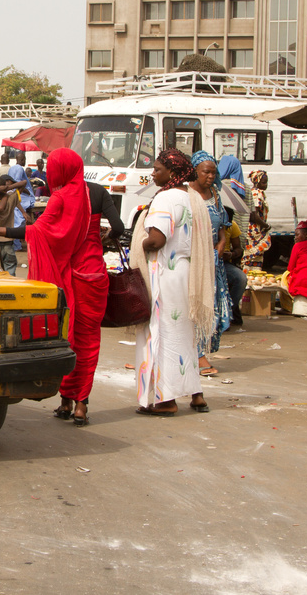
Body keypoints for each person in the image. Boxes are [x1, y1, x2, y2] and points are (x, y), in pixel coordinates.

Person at [0, 148, 96, 424]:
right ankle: (80, 404)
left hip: (65, 274)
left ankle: (66, 402)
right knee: (87, 341)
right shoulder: (90, 194)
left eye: (52, 167)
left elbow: (40, 232)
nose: (49, 172)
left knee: (65, 335)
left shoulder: (61, 197)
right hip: (90, 274)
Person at [129, 149, 213, 416]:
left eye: (157, 169)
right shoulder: (191, 198)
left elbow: (157, 240)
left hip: (164, 271)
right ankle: (196, 394)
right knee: (184, 336)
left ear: (173, 173)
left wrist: (137, 243)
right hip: (184, 273)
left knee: (162, 334)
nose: (153, 173)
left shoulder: (165, 198)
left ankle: (166, 401)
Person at [190, 151, 231, 376]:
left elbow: (223, 227)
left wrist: (222, 243)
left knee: (212, 306)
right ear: (195, 171)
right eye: (206, 172)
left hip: (214, 262)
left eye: (213, 172)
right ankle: (197, 355)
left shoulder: (215, 193)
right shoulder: (186, 194)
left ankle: (202, 350)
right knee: (197, 306)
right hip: (195, 262)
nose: (210, 176)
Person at [242, 170, 271, 271]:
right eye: (263, 182)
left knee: (256, 257)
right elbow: (253, 215)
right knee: (252, 255)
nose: (266, 185)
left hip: (256, 230)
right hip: (254, 231)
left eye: (266, 182)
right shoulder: (256, 194)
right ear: (256, 182)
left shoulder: (259, 193)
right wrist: (266, 226)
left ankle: (254, 279)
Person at [222, 212, 247, 325]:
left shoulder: (233, 226)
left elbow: (238, 248)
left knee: (240, 279)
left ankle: (229, 309)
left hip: (225, 262)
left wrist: (231, 254)